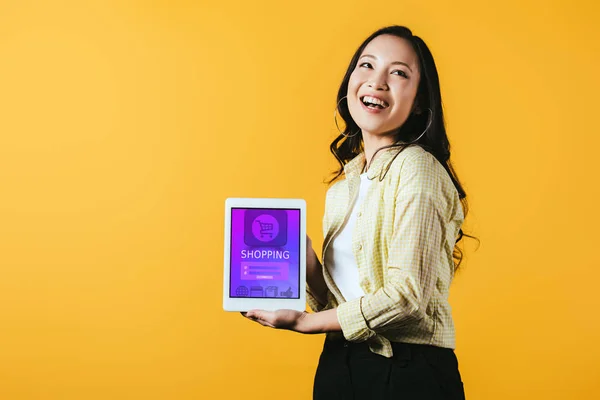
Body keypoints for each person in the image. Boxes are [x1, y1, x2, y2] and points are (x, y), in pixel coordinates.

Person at [243, 25, 473, 399]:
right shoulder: (343, 187)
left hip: (408, 373)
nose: (377, 82)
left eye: (398, 73)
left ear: (418, 101)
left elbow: (405, 299)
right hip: (341, 365)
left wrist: (304, 321)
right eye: (367, 66)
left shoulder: (418, 168)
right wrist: (302, 260)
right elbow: (343, 304)